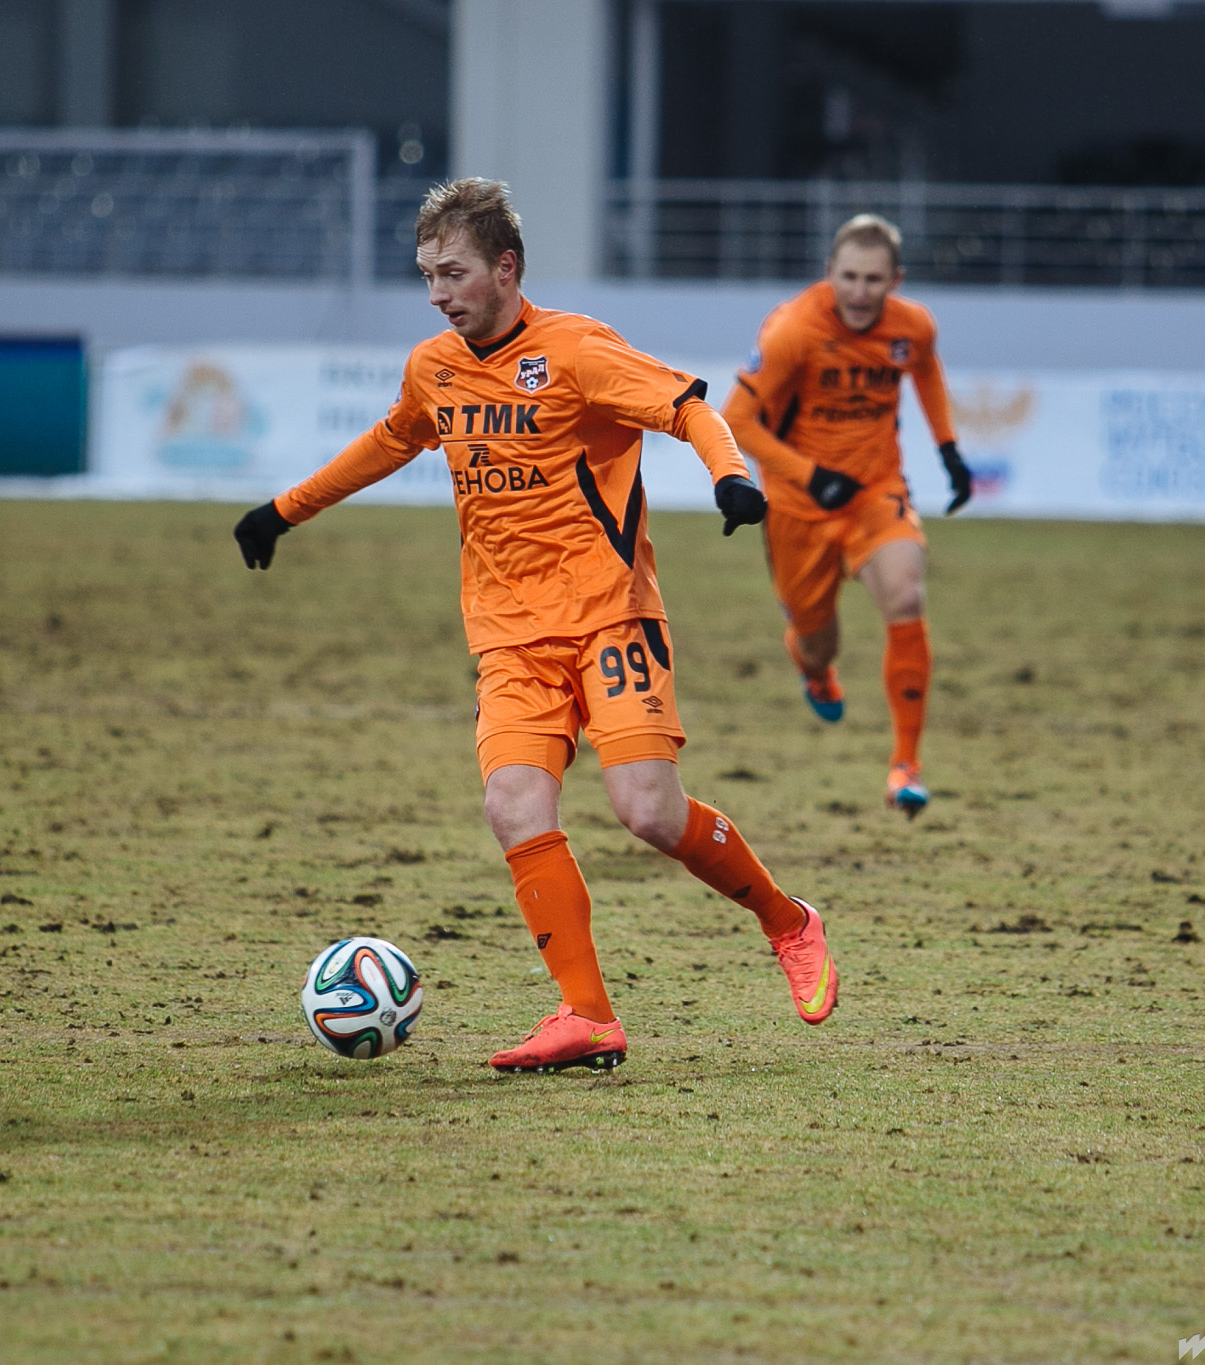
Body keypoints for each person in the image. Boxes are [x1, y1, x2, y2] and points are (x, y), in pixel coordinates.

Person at [233, 179, 839, 1075]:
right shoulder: (433, 366)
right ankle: (587, 1016)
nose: (438, 294)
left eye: (454, 273)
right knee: (513, 804)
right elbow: (390, 440)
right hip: (509, 635)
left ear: (506, 268)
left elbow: (687, 406)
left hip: (611, 617)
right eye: (427, 276)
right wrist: (284, 511)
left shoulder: (576, 349)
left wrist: (730, 476)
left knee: (648, 811)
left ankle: (788, 920)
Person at [720, 214, 970, 818]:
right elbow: (736, 420)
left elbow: (927, 369)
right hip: (798, 506)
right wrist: (811, 477)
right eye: (850, 277)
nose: (861, 292)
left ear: (895, 281)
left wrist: (947, 448)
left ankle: (905, 764)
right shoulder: (792, 332)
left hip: (875, 493)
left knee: (907, 598)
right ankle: (813, 667)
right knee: (817, 641)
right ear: (829, 274)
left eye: (874, 280)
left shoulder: (913, 327)